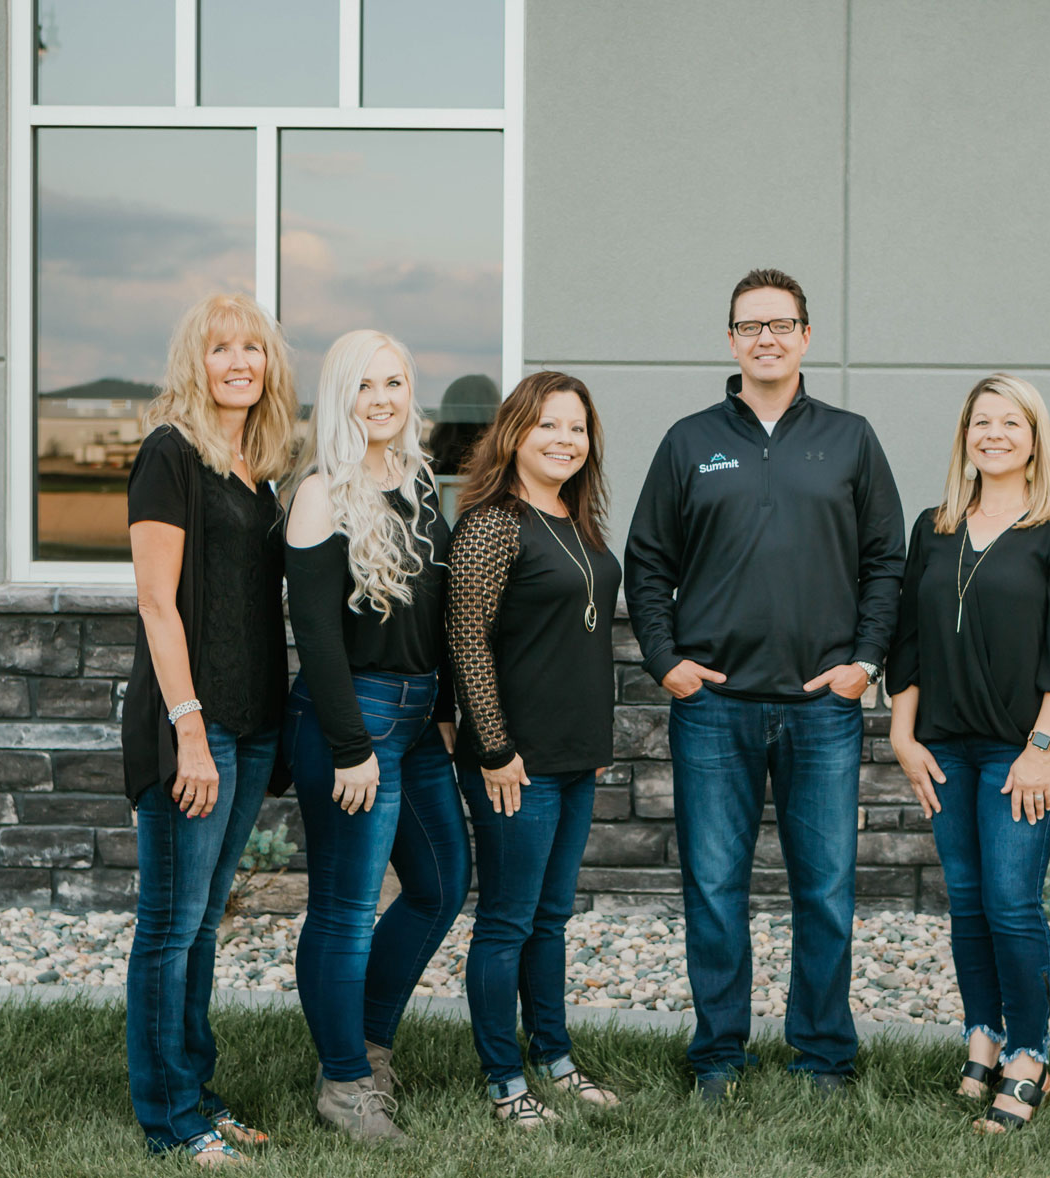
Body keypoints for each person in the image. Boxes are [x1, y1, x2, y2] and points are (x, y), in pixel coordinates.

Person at [624, 268, 906, 1099]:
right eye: (751, 327)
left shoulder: (851, 438)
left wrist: (865, 662)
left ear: (807, 337)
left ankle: (823, 1054)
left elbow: (884, 561)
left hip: (823, 709)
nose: (767, 339)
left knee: (825, 891)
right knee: (713, 889)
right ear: (731, 340)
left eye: (782, 325)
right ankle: (719, 1054)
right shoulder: (688, 440)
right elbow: (647, 563)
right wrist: (666, 662)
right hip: (714, 708)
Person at [885, 374, 1050, 1133]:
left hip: (1024, 750)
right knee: (969, 900)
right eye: (983, 422)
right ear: (966, 436)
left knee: (1012, 901)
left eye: (1012, 422)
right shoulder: (934, 526)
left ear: (1034, 437)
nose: (995, 434)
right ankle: (982, 1034)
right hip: (944, 744)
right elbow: (906, 639)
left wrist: (1043, 747)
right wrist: (901, 732)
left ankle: (1029, 1055)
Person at [123, 292, 297, 1166]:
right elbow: (158, 602)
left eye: (253, 349)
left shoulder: (257, 465)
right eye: (221, 347)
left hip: (252, 725)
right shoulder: (171, 455)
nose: (239, 362)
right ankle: (167, 1116)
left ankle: (195, 1088)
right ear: (197, 360)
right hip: (194, 725)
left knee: (202, 925)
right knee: (171, 923)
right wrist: (189, 730)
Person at [284, 330, 470, 1143]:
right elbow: (315, 634)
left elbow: (434, 612)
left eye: (396, 382)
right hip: (350, 721)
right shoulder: (322, 493)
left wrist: (444, 711)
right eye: (367, 385)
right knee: (345, 908)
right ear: (342, 396)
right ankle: (346, 1087)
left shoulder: (421, 481)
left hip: (419, 720)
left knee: (440, 884)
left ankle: (364, 1042)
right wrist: (351, 746)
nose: (385, 398)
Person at [446, 371, 623, 1125]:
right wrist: (493, 748)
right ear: (515, 432)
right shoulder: (493, 523)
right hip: (514, 762)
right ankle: (504, 1082)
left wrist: (592, 741)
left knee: (550, 917)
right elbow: (467, 640)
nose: (564, 440)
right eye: (548, 425)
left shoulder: (576, 520)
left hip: (572, 756)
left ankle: (554, 1056)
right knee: (509, 920)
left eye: (577, 428)